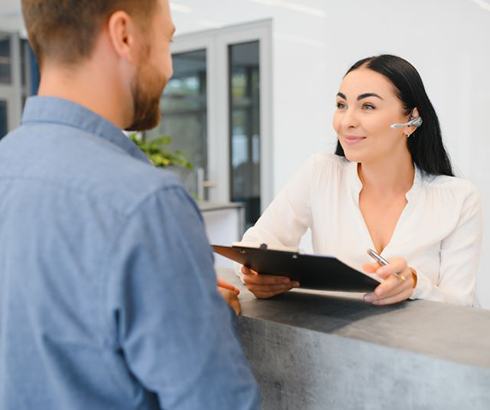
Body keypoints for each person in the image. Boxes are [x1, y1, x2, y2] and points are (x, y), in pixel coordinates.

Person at [0, 1, 260, 409]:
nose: (170, 68)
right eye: (166, 41)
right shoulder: (144, 203)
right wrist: (201, 316)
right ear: (124, 35)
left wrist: (178, 299)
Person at [240, 54, 482, 307]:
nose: (346, 122)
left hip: (421, 346)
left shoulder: (459, 198)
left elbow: (461, 308)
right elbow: (255, 243)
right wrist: (255, 274)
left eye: (367, 106)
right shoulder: (321, 173)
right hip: (334, 342)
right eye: (341, 105)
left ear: (411, 120)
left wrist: (414, 282)